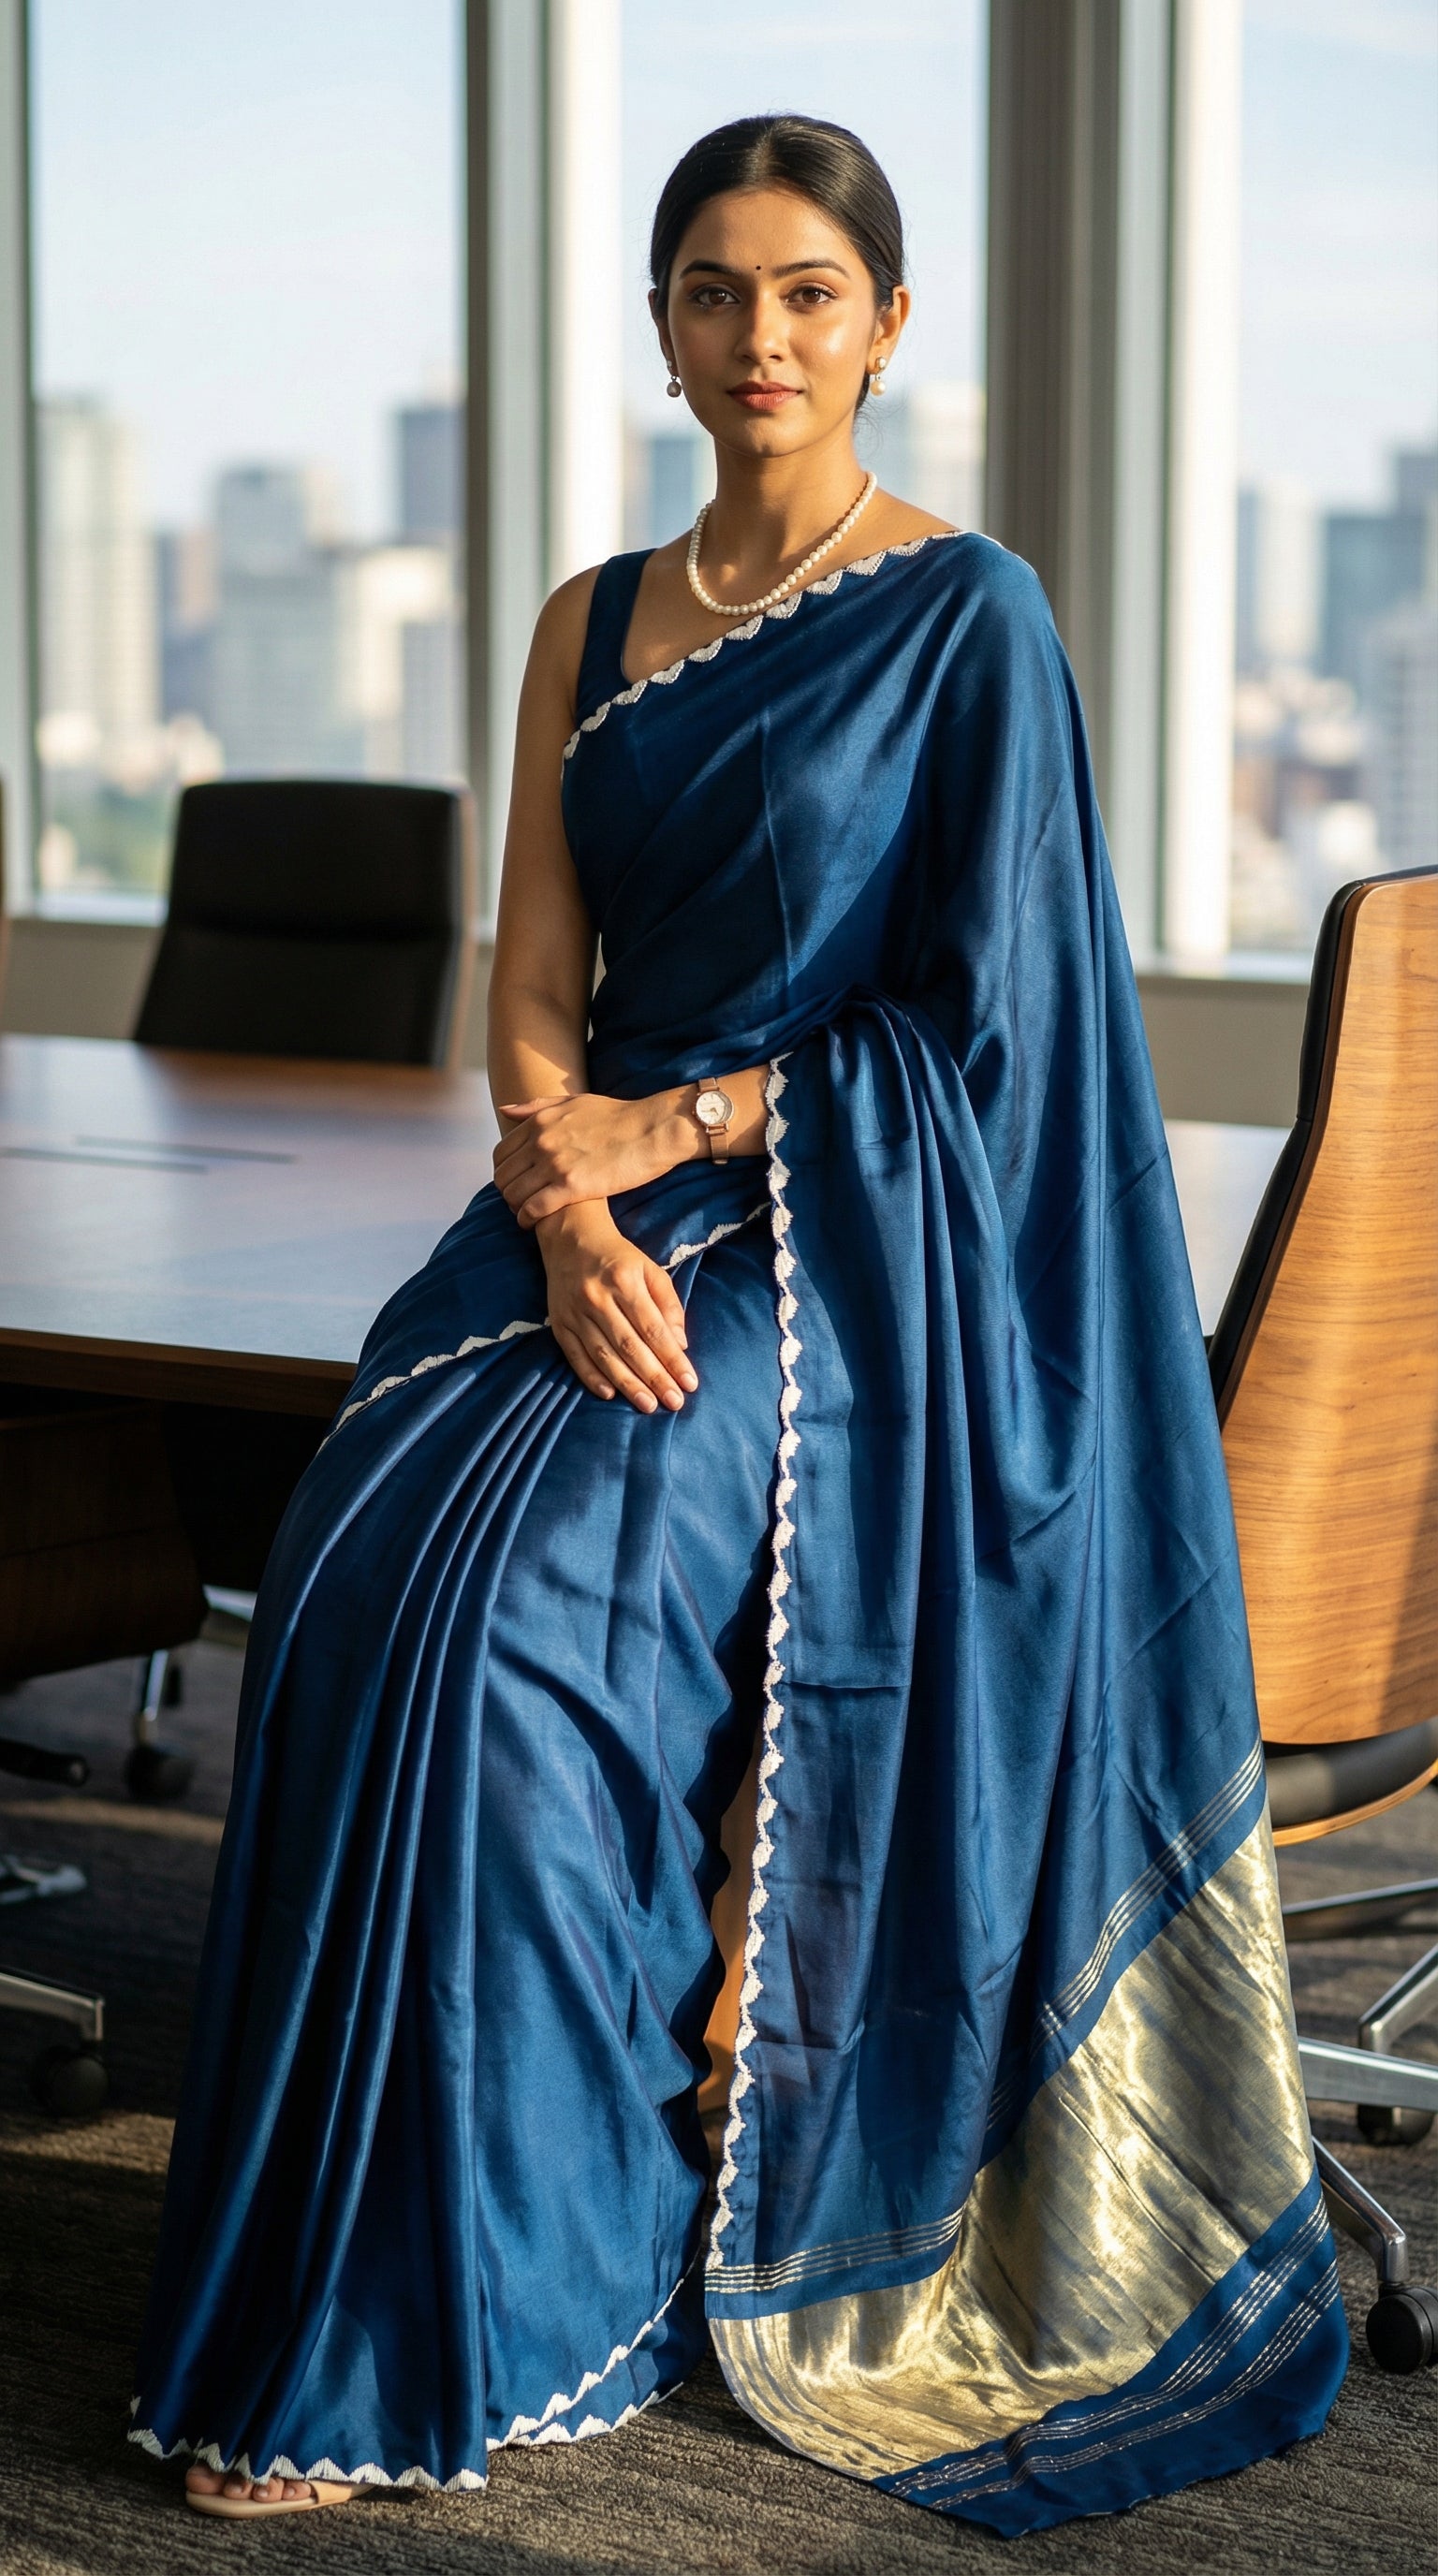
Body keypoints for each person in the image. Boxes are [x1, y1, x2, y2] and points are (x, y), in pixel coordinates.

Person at [131, 115, 1346, 2537]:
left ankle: (508, 2284)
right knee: (359, 1569)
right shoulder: (588, 621)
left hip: (847, 1244)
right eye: (713, 290)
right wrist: (557, 1192)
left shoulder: (966, 613)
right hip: (574, 1212)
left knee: (519, 1626)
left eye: (807, 292)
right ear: (666, 329)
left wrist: (676, 1137)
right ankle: (349, 2256)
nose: (759, 335)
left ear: (886, 325)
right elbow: (534, 975)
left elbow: (996, 1036)